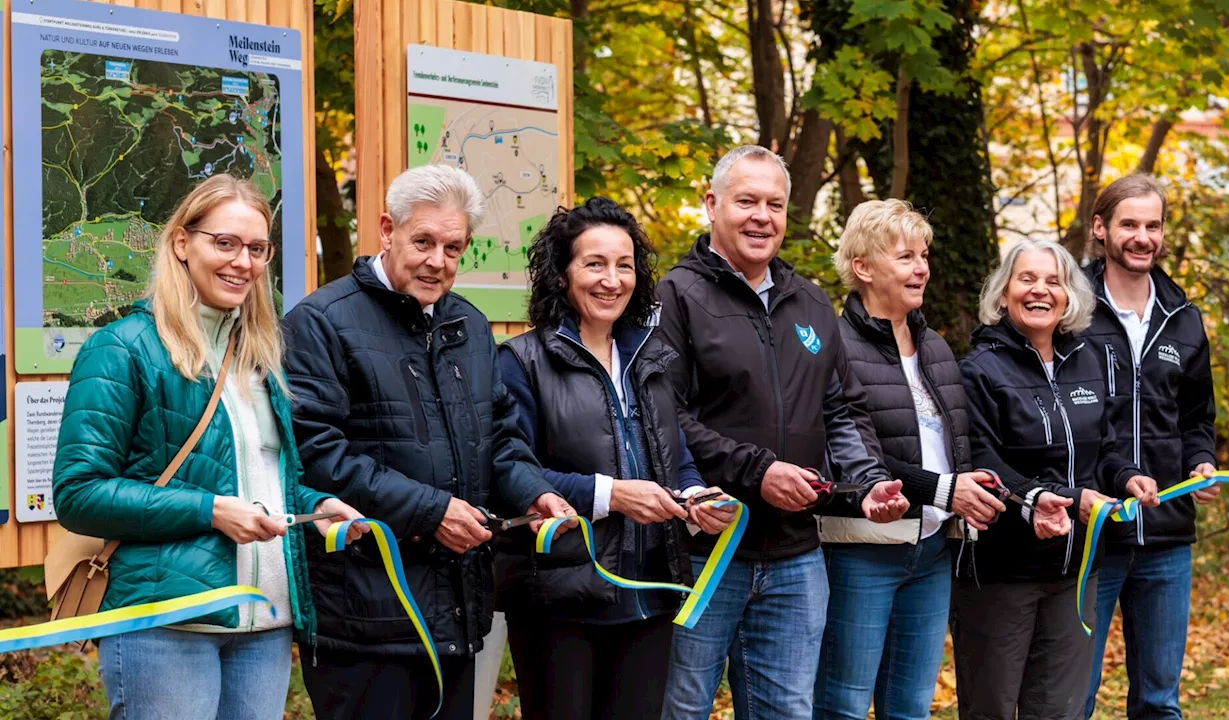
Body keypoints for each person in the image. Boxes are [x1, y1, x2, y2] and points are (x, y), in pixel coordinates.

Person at [52, 175, 365, 720]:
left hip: (263, 622)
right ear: (182, 243)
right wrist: (210, 511)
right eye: (225, 243)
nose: (242, 262)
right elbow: (79, 493)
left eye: (257, 248)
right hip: (166, 621)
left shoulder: (261, 354)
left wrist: (312, 506)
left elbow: (256, 474)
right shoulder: (122, 348)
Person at [282, 164, 574, 720]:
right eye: (423, 241)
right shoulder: (320, 322)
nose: (438, 261)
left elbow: (501, 438)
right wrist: (430, 511)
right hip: (363, 615)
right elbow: (316, 453)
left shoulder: (470, 324)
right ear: (387, 229)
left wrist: (531, 492)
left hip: (455, 611)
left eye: (453, 247)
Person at [657, 145, 910, 720]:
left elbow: (841, 410)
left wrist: (866, 483)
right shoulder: (675, 296)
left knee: (788, 710)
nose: (761, 217)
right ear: (711, 203)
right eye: (746, 201)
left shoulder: (810, 303)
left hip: (797, 556)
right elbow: (664, 418)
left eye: (775, 204)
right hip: (704, 552)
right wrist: (758, 471)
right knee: (683, 709)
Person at [495, 198, 738, 720]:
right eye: (594, 264)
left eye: (624, 265)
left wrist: (695, 498)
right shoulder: (520, 361)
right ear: (562, 275)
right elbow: (512, 469)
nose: (612, 280)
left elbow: (679, 459)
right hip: (561, 595)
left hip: (651, 590)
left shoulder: (653, 358)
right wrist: (611, 496)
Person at [813, 200, 1007, 720]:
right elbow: (849, 454)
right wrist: (944, 490)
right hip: (860, 553)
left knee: (911, 707)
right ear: (863, 267)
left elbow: (949, 448)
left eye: (923, 255)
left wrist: (969, 485)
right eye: (904, 256)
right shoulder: (833, 345)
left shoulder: (937, 346)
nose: (921, 267)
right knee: (843, 705)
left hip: (931, 553)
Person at [954, 239, 1159, 720]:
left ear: (1070, 295)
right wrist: (1067, 497)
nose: (1040, 290)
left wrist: (1128, 477)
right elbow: (984, 463)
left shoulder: (1088, 361)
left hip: (1077, 572)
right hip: (1001, 573)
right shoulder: (978, 370)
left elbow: (1105, 448)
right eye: (1026, 279)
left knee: (1061, 712)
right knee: (993, 711)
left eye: (1054, 281)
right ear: (1004, 292)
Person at [1082, 174, 1219, 720]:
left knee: (1160, 702)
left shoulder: (1183, 318)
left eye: (1153, 225)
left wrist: (1200, 460)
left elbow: (1197, 416)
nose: (1143, 236)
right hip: (1093, 530)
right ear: (1101, 229)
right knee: (1074, 697)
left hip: (1167, 535)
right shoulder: (1071, 311)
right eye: (1130, 224)